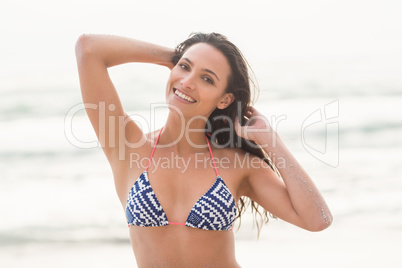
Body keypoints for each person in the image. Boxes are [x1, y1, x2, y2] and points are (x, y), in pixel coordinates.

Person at [75, 32, 332, 267]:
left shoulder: (237, 164)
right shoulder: (128, 147)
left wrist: (269, 139)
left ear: (225, 99)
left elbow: (317, 219)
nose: (187, 81)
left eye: (207, 79)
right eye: (185, 67)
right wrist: (173, 56)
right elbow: (89, 49)